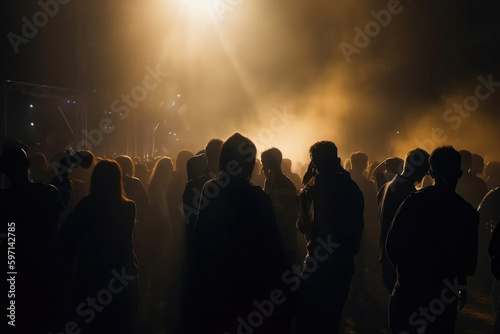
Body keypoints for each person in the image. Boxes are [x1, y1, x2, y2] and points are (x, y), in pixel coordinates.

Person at [189, 133, 290, 334]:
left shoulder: (212, 191)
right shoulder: (259, 198)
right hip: (251, 286)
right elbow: (274, 248)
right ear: (251, 163)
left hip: (218, 283)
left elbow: (200, 240)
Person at [386, 146, 478, 334]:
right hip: (442, 300)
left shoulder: (413, 202)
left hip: (408, 292)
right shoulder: (467, 213)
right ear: (460, 173)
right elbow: (468, 264)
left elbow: (392, 244)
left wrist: (405, 278)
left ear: (430, 172)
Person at [53, 160, 140, 334]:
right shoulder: (129, 207)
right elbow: (126, 244)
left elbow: (66, 234)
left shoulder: (87, 205)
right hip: (120, 272)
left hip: (91, 272)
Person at [296, 141, 364, 334]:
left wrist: (303, 198)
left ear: (315, 163)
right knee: (331, 321)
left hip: (318, 264)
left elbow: (303, 226)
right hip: (342, 265)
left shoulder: (318, 187)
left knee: (306, 320)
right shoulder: (351, 187)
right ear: (337, 159)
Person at [0, 147, 64, 332]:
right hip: (44, 269)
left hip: (11, 272)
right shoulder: (48, 193)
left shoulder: (3, 200)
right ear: (28, 165)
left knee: (13, 322)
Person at [378, 148, 430, 293]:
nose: (426, 174)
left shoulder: (386, 187)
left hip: (387, 260)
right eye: (425, 169)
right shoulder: (408, 193)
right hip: (401, 264)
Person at [261, 147, 299, 266]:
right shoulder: (271, 181)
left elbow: (284, 216)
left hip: (283, 242)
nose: (262, 167)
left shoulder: (282, 184)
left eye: (264, 163)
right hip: (279, 241)